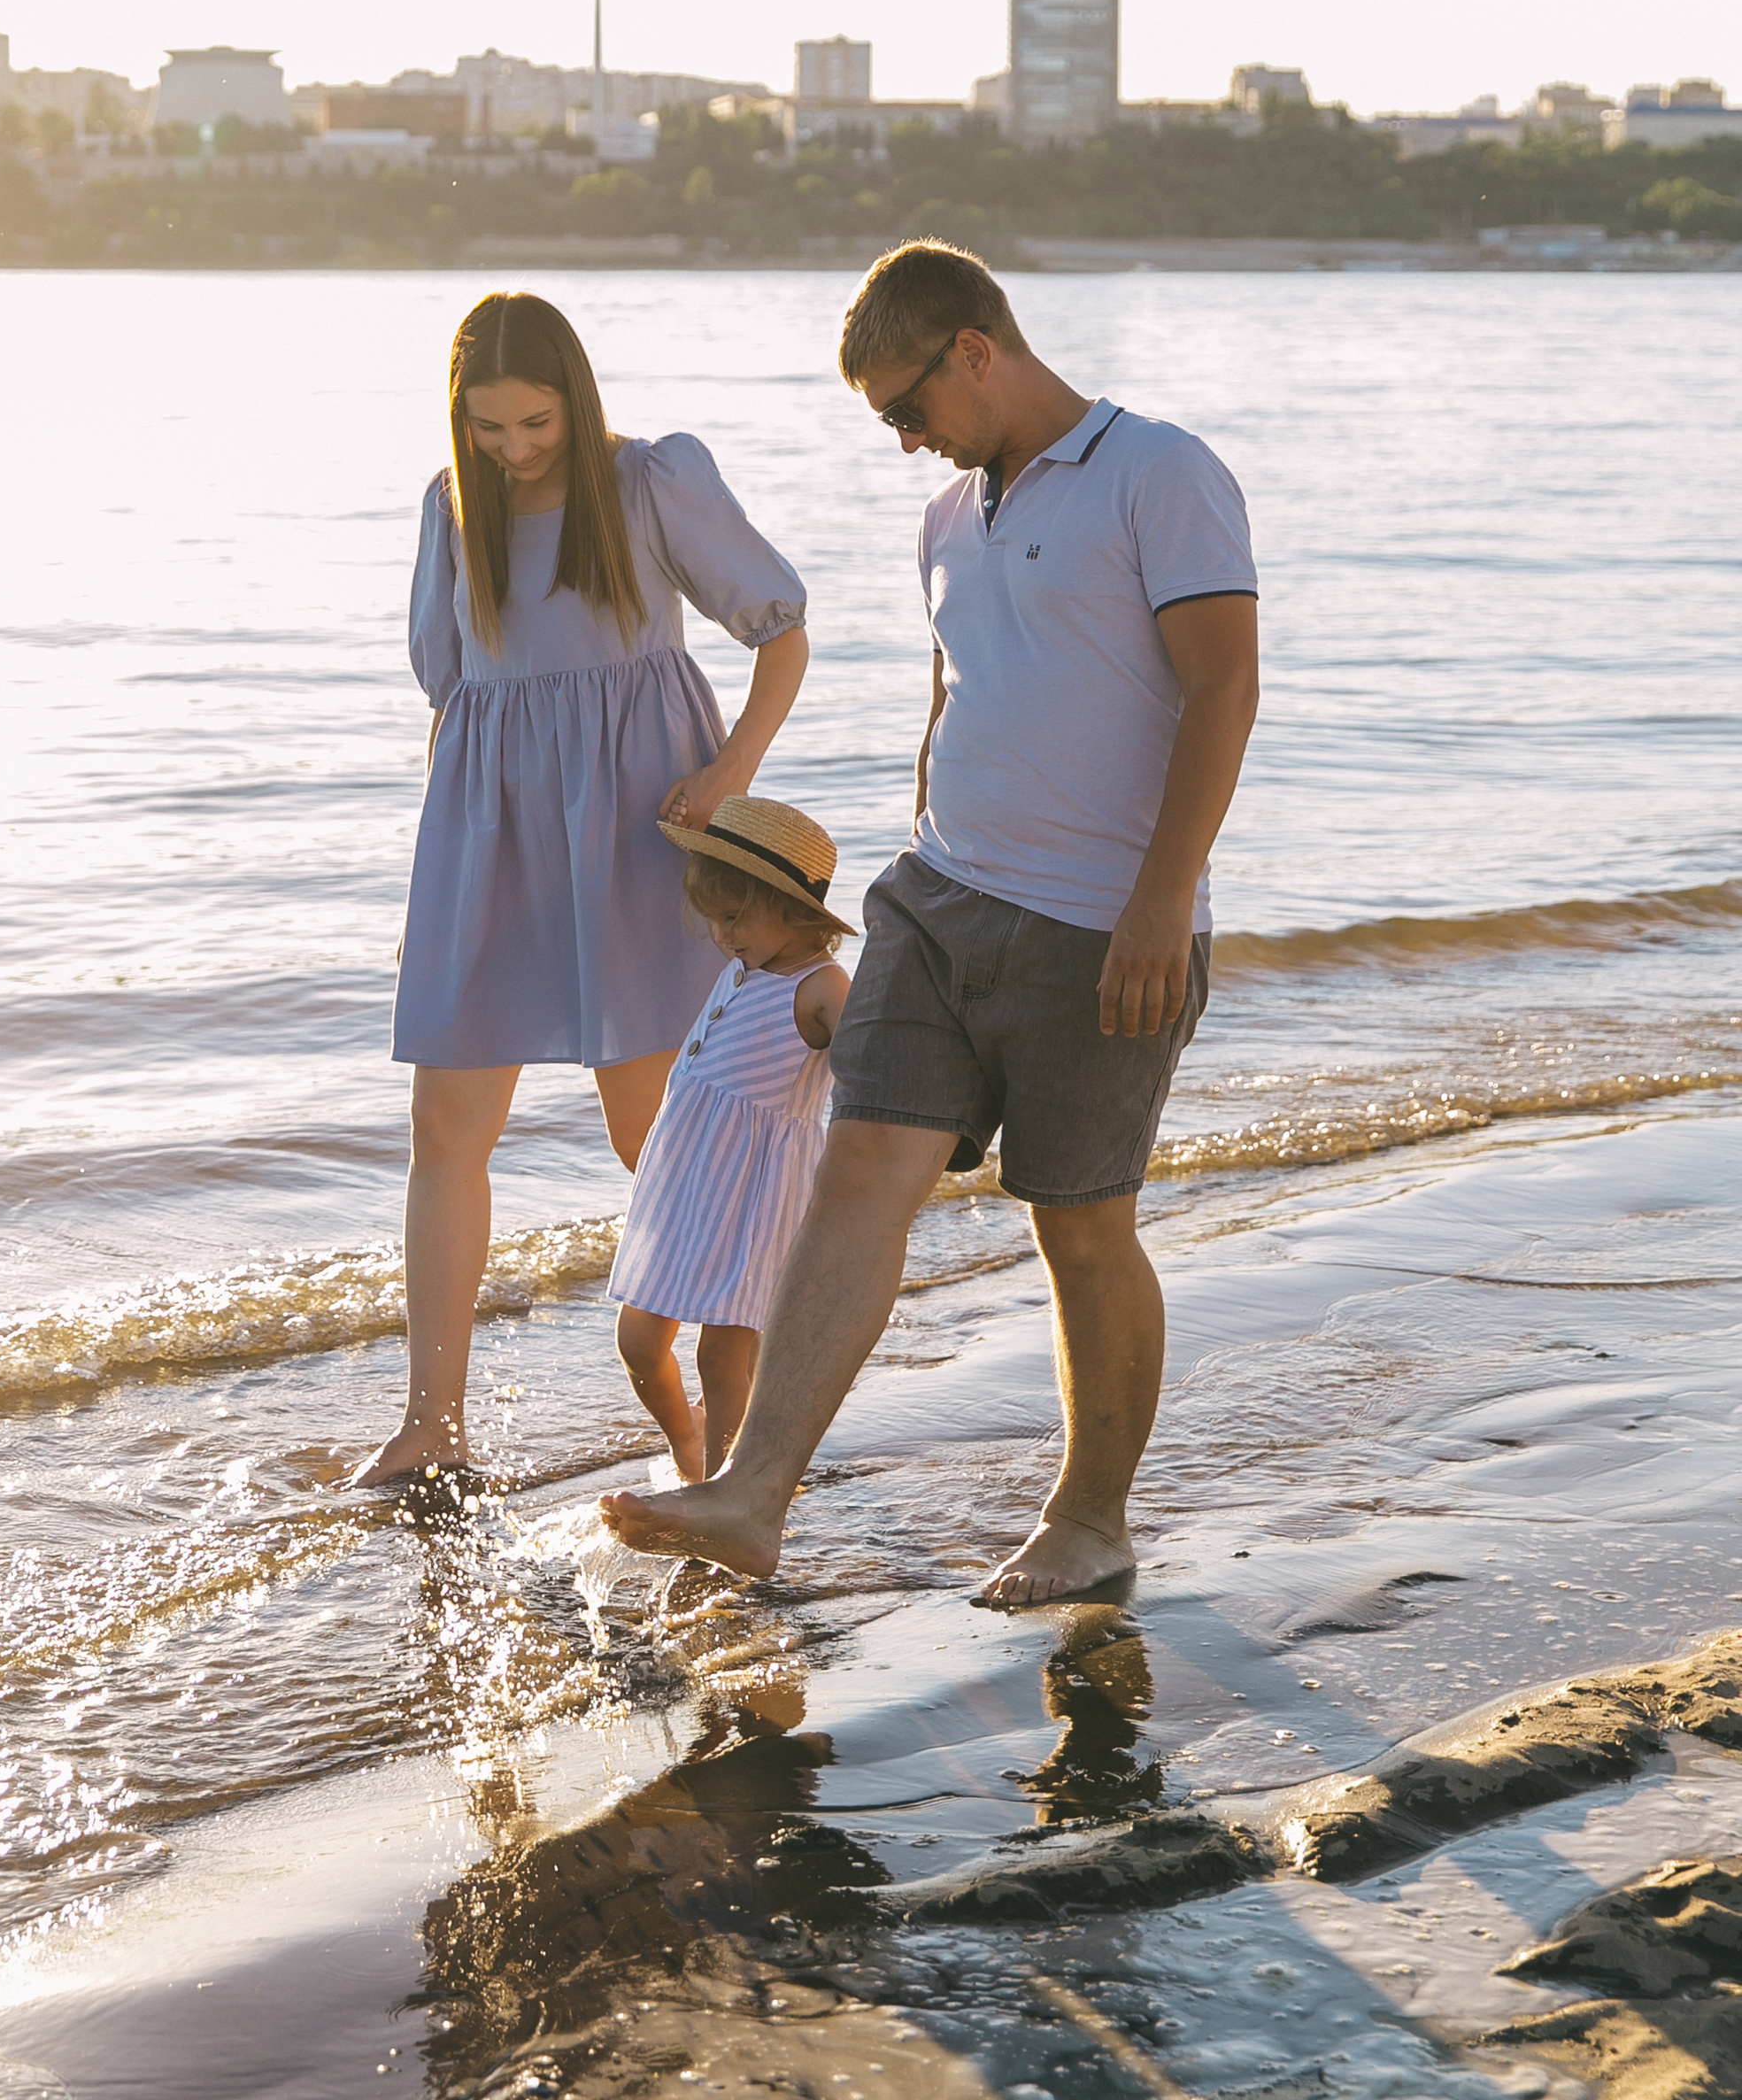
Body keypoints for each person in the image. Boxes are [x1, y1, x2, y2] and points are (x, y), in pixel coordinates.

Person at [601, 242, 1259, 1602]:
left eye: (909, 406)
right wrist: (918, 842)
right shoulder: (948, 517)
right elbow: (953, 699)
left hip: (1100, 922)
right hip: (937, 901)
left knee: (1080, 1226)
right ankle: (752, 1497)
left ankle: (1090, 1520)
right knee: (857, 1175)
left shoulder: (1162, 472)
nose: (906, 440)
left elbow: (1223, 689)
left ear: (975, 349)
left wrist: (1161, 898)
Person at [355, 290, 809, 1488]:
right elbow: (454, 696)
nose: (513, 447)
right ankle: (433, 1426)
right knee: (445, 1125)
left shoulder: (648, 484)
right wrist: (434, 899)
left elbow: (781, 632)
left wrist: (730, 773)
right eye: (488, 426)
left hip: (642, 832)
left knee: (652, 1134)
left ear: (576, 398)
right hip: (487, 833)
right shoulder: (452, 507)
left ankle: (739, 1416)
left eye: (536, 422)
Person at [607, 798, 853, 1483]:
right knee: (638, 1341)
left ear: (792, 909)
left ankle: (725, 1485)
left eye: (735, 916)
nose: (721, 934)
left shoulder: (821, 987)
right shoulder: (745, 965)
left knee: (722, 1356)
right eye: (713, 918)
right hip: (684, 1187)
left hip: (754, 1199)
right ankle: (686, 1444)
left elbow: (873, 1066)